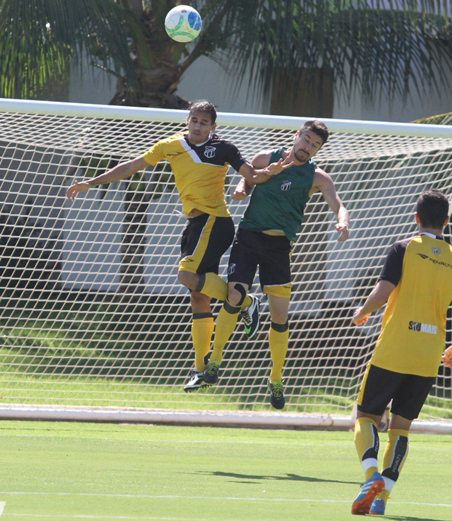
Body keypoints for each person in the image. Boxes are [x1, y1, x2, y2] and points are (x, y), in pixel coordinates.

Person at [66, 100, 271, 383]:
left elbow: (251, 176)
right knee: (198, 297)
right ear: (187, 120)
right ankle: (200, 369)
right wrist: (91, 182)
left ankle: (245, 301)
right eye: (194, 120)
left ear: (213, 127)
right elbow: (131, 166)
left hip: (214, 222)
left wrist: (269, 173)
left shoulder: (224, 148)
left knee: (186, 276)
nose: (198, 126)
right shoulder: (169, 145)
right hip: (194, 225)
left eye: (204, 122)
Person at [184, 120, 349, 409]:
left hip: (279, 248)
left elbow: (338, 203)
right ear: (296, 135)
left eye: (315, 145)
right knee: (233, 296)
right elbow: (247, 178)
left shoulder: (318, 177)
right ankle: (214, 363)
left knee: (280, 317)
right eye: (306, 140)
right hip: (248, 238)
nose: (308, 147)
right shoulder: (265, 158)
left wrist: (342, 222)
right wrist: (240, 190)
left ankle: (275, 378)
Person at [348, 189, 452, 516]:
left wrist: (363, 311)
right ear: (446, 221)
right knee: (401, 427)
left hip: (394, 348)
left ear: (416, 218)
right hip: (428, 354)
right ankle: (381, 500)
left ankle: (370, 476)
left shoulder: (404, 248)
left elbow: (382, 291)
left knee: (366, 417)